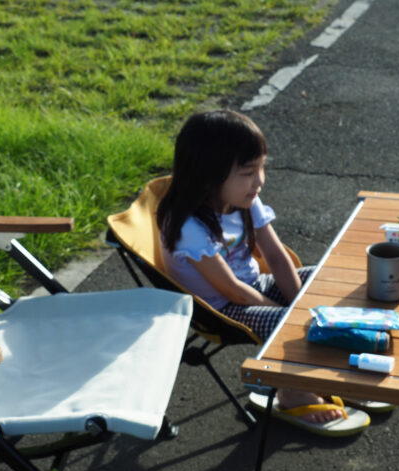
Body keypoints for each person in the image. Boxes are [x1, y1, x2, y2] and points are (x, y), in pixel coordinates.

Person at [157, 109, 374, 437]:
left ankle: (327, 371)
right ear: (208, 176)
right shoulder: (189, 227)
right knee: (290, 326)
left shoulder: (241, 199)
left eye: (261, 168)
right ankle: (291, 392)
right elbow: (232, 291)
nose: (259, 181)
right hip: (220, 309)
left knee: (326, 280)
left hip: (253, 286)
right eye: (248, 172)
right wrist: (291, 316)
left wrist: (301, 303)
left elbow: (275, 253)